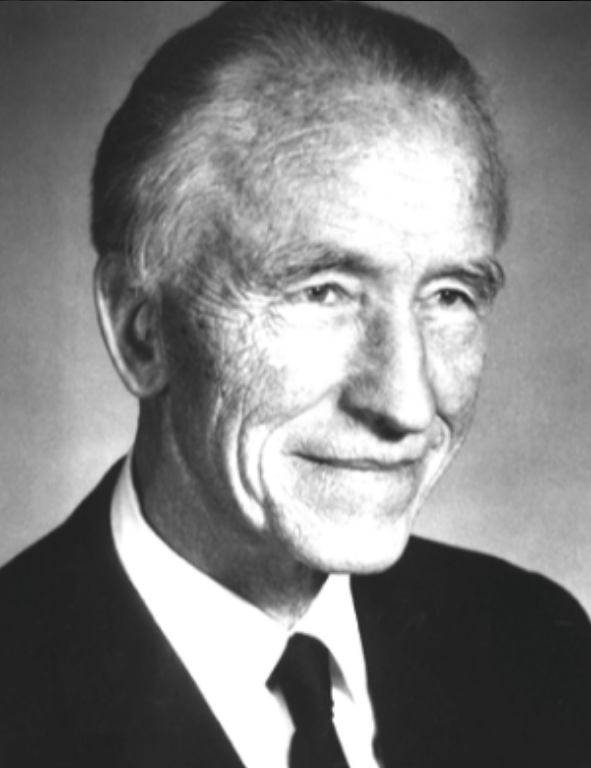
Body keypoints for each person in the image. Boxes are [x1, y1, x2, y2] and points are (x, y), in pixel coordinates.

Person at [0, 2, 589, 766]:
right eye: (322, 291)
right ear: (140, 330)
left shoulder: (537, 646)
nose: (406, 405)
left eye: (449, 295)